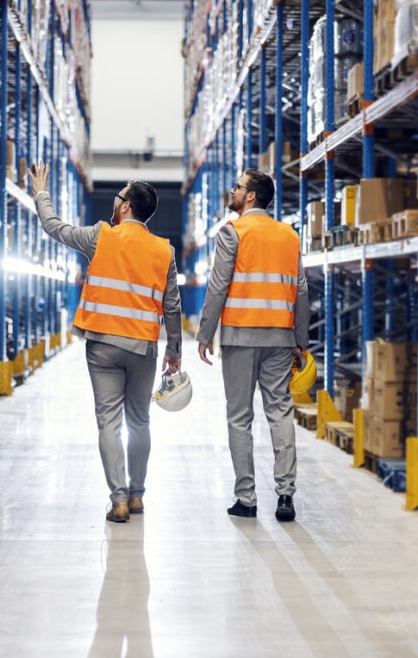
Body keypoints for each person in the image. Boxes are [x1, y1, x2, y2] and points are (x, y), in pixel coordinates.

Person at [28, 163, 182, 523]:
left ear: (125, 206)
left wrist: (41, 192)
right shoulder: (164, 251)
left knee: (109, 423)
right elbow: (171, 304)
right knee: (140, 421)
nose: (115, 202)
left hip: (101, 346)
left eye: (119, 197)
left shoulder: (101, 236)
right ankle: (138, 494)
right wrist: (174, 349)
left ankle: (118, 501)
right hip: (143, 348)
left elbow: (54, 227)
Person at [197, 168, 310, 522]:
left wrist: (204, 334)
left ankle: (246, 498)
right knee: (280, 412)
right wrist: (300, 341)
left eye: (238, 187)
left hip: (241, 337)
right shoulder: (288, 235)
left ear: (251, 197)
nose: (232, 190)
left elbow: (218, 287)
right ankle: (286, 496)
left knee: (240, 417)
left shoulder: (233, 232)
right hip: (279, 338)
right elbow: (301, 292)